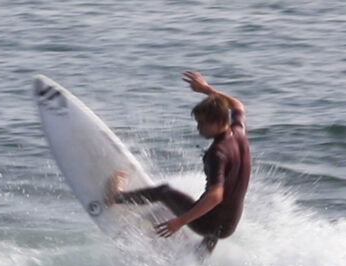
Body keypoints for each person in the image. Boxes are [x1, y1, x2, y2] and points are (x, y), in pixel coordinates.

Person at [107, 70, 250, 256]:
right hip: (229, 224)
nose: (198, 128)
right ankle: (200, 257)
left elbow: (216, 196)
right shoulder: (238, 132)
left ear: (216, 121)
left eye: (202, 124)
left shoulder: (218, 152)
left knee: (163, 192)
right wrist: (206, 90)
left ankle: (116, 197)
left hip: (209, 223)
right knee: (212, 219)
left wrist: (180, 221)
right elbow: (238, 105)